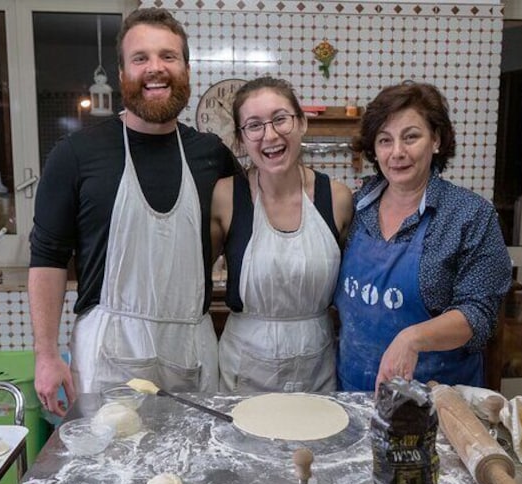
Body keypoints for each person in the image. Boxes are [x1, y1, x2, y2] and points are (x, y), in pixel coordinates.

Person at [29, 8, 241, 415]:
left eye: (168, 56)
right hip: (109, 350)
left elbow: (239, 229)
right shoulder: (76, 155)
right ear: (123, 73)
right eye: (140, 58)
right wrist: (46, 355)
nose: (155, 69)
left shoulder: (211, 155)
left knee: (190, 466)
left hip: (190, 351)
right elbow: (48, 259)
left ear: (186, 68)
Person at [334, 82, 512, 392]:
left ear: (437, 141)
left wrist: (412, 338)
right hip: (355, 392)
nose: (397, 153)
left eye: (411, 137)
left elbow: (479, 314)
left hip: (436, 399)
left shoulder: (470, 215)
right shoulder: (356, 207)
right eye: (384, 140)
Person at [211, 77, 353, 392]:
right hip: (244, 372)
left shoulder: (338, 199)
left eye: (280, 119)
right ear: (241, 139)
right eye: (254, 125)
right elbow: (192, 278)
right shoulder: (225, 197)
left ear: (301, 123)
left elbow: (354, 288)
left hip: (317, 368)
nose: (270, 135)